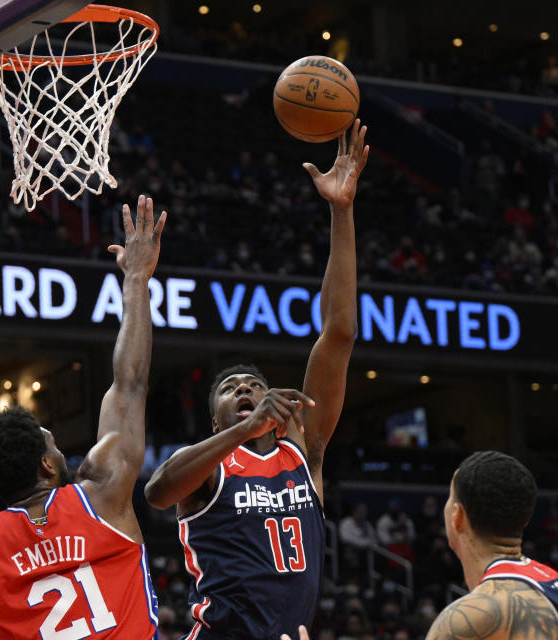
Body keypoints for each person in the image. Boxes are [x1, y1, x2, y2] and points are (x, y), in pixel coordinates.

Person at [0, 195, 167, 639]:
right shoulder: (101, 496)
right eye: (53, 443)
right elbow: (130, 383)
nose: (60, 450)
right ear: (46, 464)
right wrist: (137, 279)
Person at [145, 120, 369, 639]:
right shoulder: (203, 466)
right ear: (215, 417)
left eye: (253, 384)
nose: (244, 388)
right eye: (229, 389)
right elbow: (157, 492)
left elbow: (339, 334)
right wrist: (239, 436)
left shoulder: (303, 447)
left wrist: (341, 210)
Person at [425, 451, 558, 640]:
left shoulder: (469, 618)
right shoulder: (552, 584)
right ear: (525, 521)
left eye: (450, 497)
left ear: (457, 516)